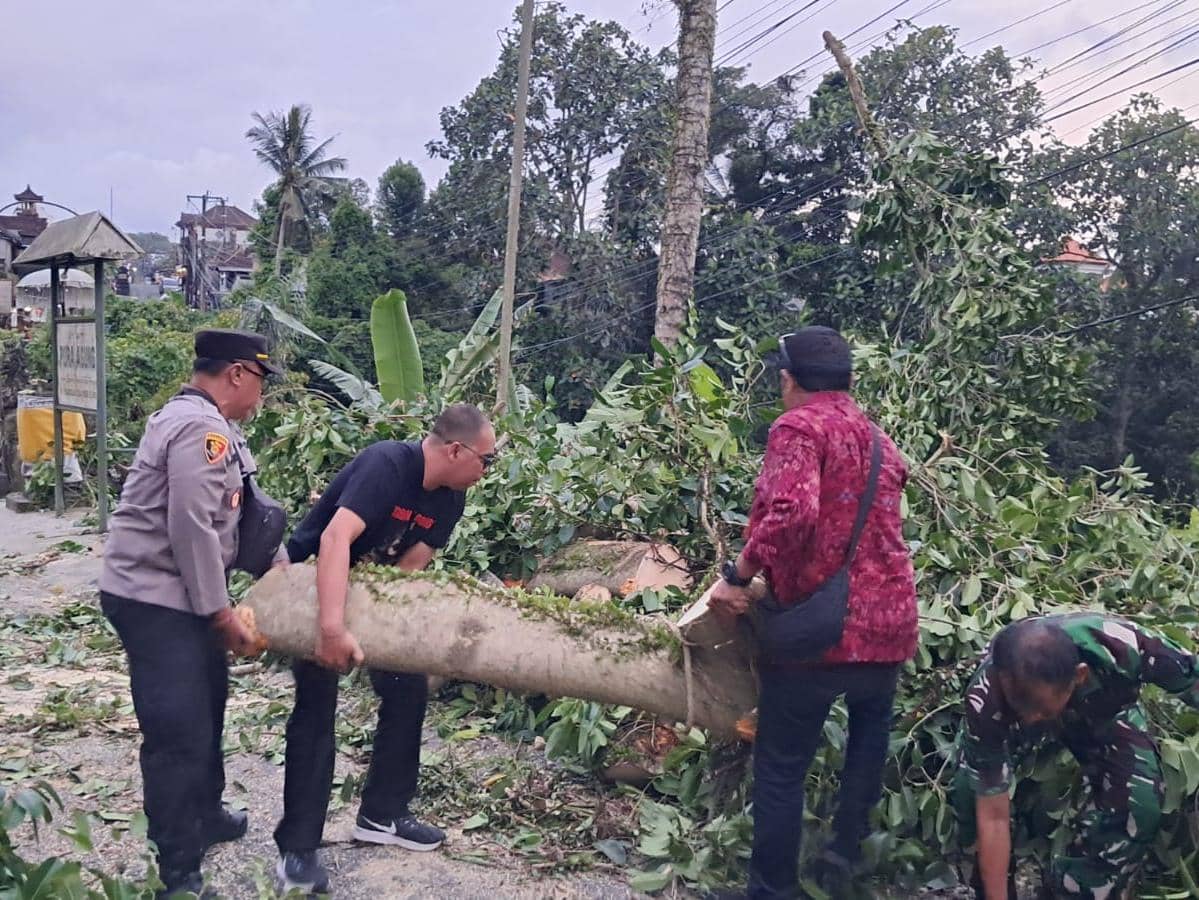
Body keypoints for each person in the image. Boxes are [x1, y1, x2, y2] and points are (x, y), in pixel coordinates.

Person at [709, 325, 918, 899]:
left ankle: (774, 891)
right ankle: (841, 867)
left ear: (787, 379)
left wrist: (737, 577)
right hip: (890, 624)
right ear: (848, 380)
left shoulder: (797, 427)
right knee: (865, 752)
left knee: (780, 763)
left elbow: (790, 516)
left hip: (821, 627)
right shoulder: (878, 437)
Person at [272, 403, 497, 895]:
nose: (488, 469)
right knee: (316, 711)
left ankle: (382, 815)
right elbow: (334, 540)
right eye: (488, 459)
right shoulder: (387, 465)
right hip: (313, 588)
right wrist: (333, 629)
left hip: (367, 599)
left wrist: (379, 629)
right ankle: (298, 849)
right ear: (457, 450)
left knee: (406, 691)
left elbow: (408, 569)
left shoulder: (451, 499)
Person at [100, 329, 283, 898]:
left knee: (209, 704)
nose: (260, 397)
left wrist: (282, 570)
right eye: (259, 382)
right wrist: (221, 612)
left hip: (183, 597)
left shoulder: (213, 426)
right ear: (236, 374)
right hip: (155, 598)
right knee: (177, 731)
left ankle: (205, 812)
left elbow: (241, 514)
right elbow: (192, 528)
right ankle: (175, 868)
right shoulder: (198, 428)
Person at [954, 613, 1199, 900]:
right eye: (1022, 703)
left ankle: (1077, 887)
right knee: (968, 798)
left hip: (1099, 713)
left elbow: (1192, 679)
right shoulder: (987, 699)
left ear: (1080, 675)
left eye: (1040, 707)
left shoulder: (1120, 646)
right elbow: (993, 816)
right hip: (1008, 726)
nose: (1033, 717)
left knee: (1139, 804)